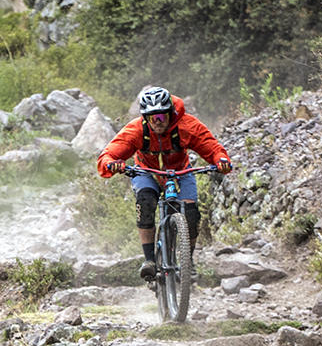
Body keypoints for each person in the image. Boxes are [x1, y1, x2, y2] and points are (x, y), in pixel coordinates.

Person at [95, 86, 234, 281]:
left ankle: (188, 261)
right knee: (145, 202)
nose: (158, 122)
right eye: (153, 118)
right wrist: (112, 164)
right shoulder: (136, 129)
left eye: (162, 117)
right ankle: (150, 260)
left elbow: (211, 146)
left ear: (171, 113)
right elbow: (108, 155)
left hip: (181, 171)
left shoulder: (186, 126)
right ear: (145, 118)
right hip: (146, 171)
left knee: (191, 213)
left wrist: (221, 160)